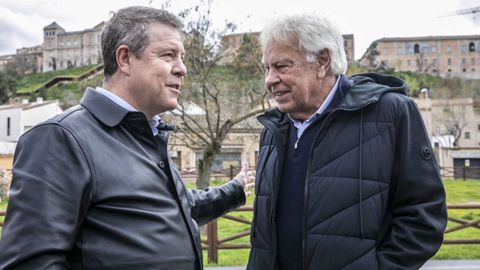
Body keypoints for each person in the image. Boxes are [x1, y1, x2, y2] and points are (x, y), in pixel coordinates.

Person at [0, 6, 250, 270]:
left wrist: (234, 189)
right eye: (168, 55)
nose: (182, 69)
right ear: (125, 59)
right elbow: (29, 263)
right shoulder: (61, 139)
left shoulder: (149, 136)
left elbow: (174, 208)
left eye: (182, 57)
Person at [247, 13, 447, 270]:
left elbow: (424, 216)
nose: (269, 80)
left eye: (282, 66)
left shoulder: (391, 113)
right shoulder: (273, 129)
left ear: (322, 61)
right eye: (267, 68)